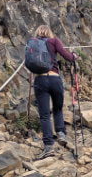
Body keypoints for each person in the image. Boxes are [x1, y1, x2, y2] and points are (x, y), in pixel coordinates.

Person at [31, 25, 76, 160]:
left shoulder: (32, 44)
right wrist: (74, 56)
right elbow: (68, 57)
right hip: (55, 79)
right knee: (57, 108)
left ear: (37, 33)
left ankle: (48, 146)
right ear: (49, 33)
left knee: (44, 115)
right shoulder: (54, 41)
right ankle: (61, 133)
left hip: (40, 80)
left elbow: (29, 62)